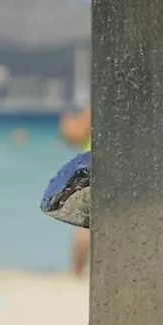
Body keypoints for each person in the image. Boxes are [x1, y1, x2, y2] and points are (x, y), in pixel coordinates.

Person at [60, 106, 92, 277]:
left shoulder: (103, 98)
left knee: (87, 223)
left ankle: (77, 272)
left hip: (94, 161)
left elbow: (76, 135)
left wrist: (67, 121)